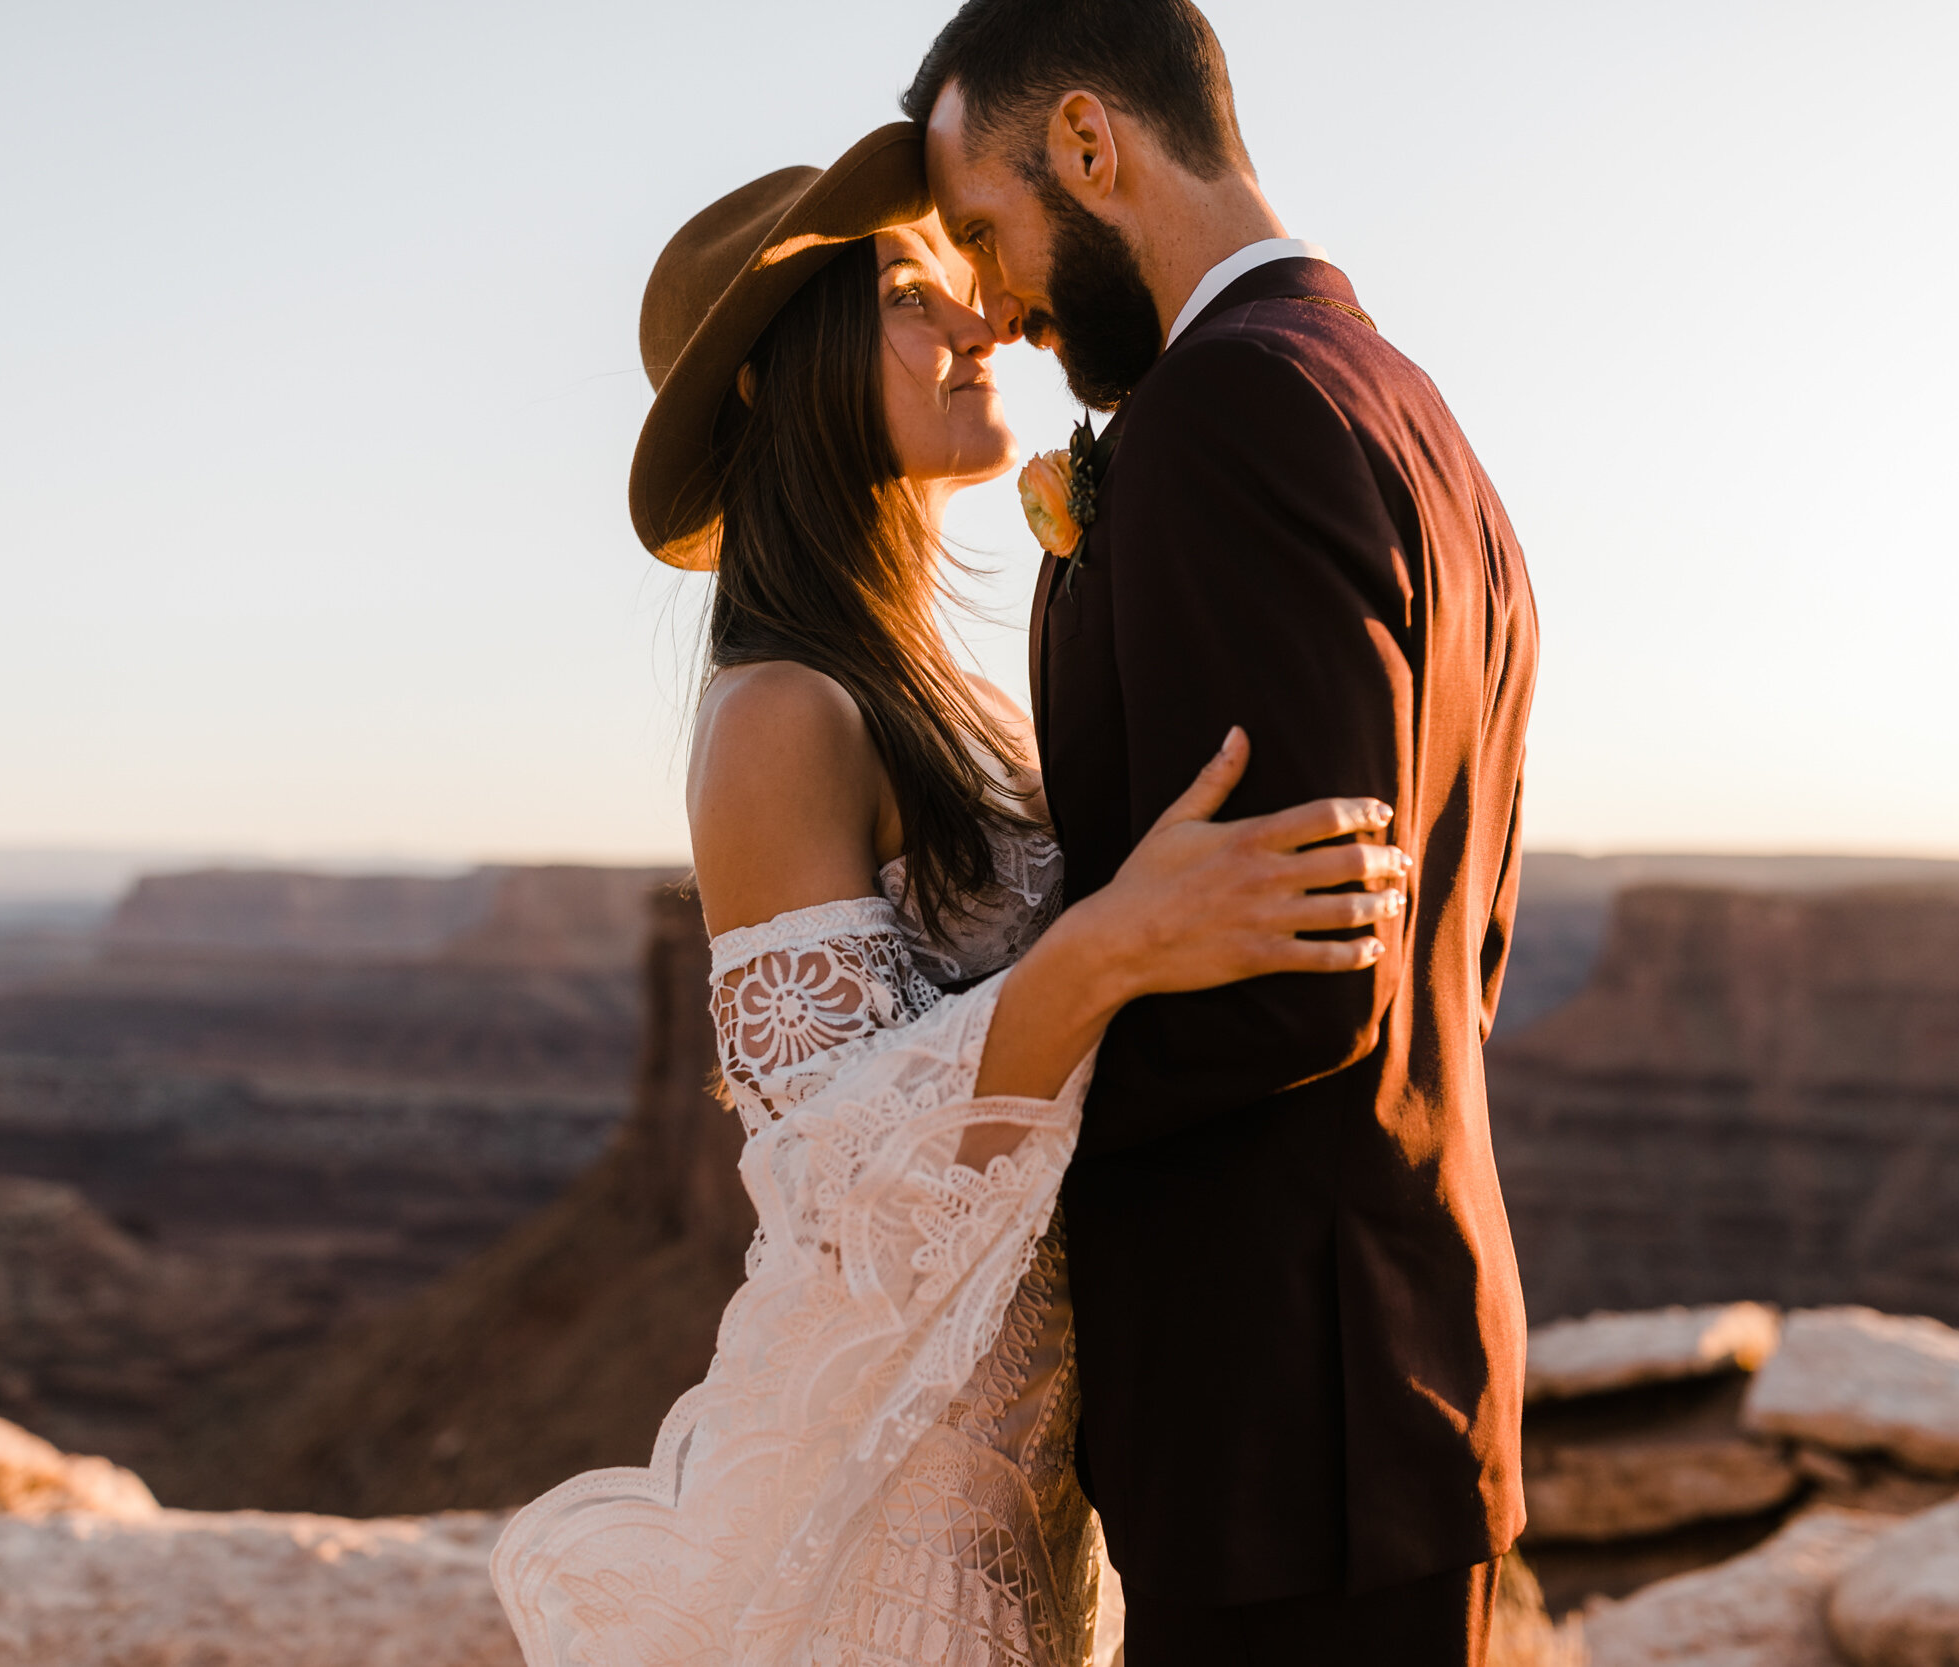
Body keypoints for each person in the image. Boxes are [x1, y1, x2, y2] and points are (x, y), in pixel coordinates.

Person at [488, 122, 1410, 1667]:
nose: (982, 320)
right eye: (915, 296)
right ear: (783, 380)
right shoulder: (785, 712)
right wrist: (1110, 950)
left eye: (956, 282)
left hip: (1014, 1432)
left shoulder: (927, 688)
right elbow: (838, 1180)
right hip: (896, 1482)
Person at [902, 0, 1541, 1661]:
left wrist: (981, 1124)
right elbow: (1460, 948)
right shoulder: (1406, 407)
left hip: (1282, 1437)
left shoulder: (1226, 420)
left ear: (1093, 146)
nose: (990, 300)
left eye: (986, 229)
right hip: (1391, 1381)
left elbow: (1302, 974)